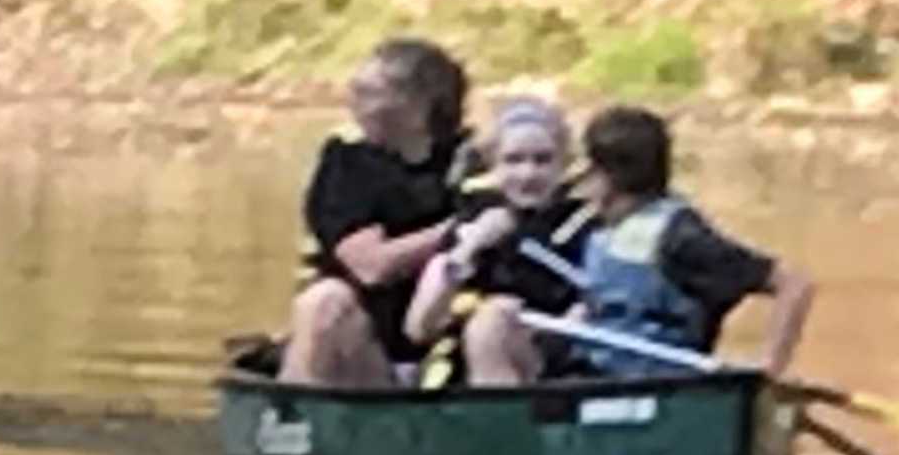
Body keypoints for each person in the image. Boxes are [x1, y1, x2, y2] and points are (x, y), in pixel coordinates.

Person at [501, 104, 818, 384]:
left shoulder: (682, 238)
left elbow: (793, 283)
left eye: (589, 170)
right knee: (503, 331)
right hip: (590, 377)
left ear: (607, 177)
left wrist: (770, 367)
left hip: (655, 390)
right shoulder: (603, 230)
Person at [278, 37, 471, 387]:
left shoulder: (470, 161)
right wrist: (459, 232)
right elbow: (371, 266)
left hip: (449, 345)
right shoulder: (347, 165)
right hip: (367, 350)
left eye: (368, 92)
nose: (353, 102)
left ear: (418, 104)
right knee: (323, 301)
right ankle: (296, 411)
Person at [406, 92, 593, 391]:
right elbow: (418, 328)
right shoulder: (471, 223)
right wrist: (468, 249)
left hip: (554, 368)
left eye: (542, 160)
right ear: (494, 166)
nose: (528, 174)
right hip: (465, 369)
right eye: (513, 160)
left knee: (495, 319)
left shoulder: (584, 226)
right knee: (490, 317)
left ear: (562, 165)